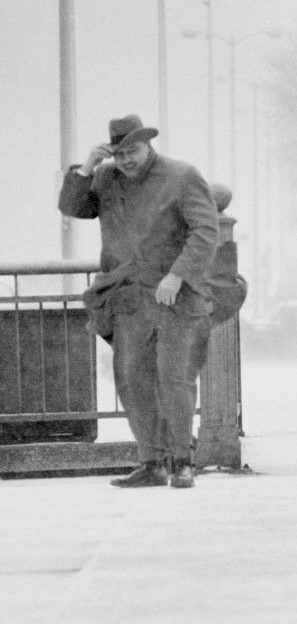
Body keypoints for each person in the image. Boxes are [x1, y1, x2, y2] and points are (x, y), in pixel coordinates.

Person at [59, 114, 219, 489]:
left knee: (174, 378)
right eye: (120, 153)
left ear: (148, 145)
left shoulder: (181, 176)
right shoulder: (105, 178)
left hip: (174, 298)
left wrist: (178, 274)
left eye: (133, 151)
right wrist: (86, 167)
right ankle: (151, 462)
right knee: (131, 378)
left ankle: (182, 461)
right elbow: (72, 207)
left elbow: (206, 230)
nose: (127, 160)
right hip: (128, 298)